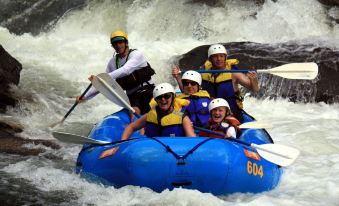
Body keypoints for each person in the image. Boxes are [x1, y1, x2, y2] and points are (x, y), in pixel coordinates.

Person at [76, 30, 156, 115]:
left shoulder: (136, 55)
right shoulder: (113, 62)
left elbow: (126, 70)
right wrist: (84, 96)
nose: (118, 45)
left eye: (120, 42)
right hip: (131, 96)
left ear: (126, 42)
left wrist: (100, 78)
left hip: (147, 91)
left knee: (148, 112)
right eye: (115, 43)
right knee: (133, 113)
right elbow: (103, 84)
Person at [201, 44, 259, 119]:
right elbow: (189, 91)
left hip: (231, 112)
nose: (219, 59)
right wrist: (179, 77)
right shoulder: (204, 73)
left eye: (221, 56)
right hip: (212, 111)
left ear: (225, 58)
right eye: (215, 56)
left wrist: (253, 79)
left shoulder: (234, 73)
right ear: (210, 59)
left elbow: (255, 89)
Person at [121, 83, 196, 140]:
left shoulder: (182, 117)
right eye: (159, 97)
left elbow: (192, 140)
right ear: (156, 100)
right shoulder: (149, 116)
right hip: (153, 153)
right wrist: (121, 145)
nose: (163, 99)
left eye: (166, 96)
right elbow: (130, 127)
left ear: (173, 98)